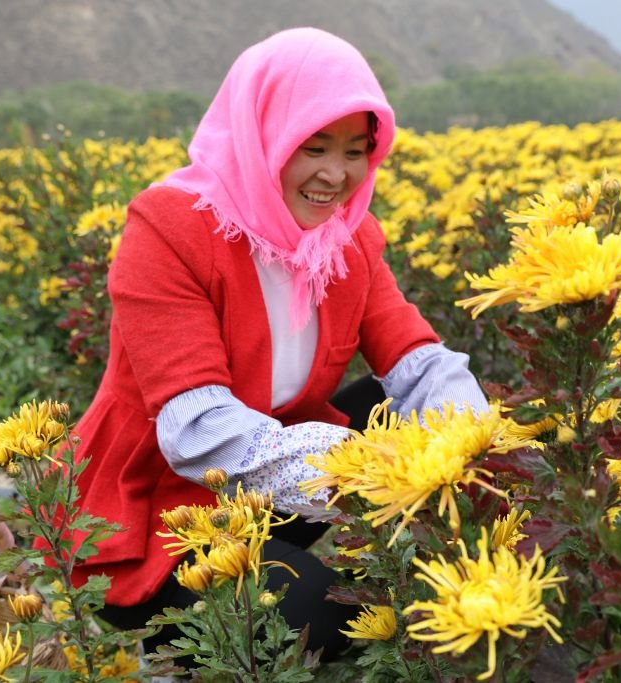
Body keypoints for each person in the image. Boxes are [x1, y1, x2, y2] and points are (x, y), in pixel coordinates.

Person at [67, 26, 488, 666]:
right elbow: (194, 427)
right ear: (261, 136)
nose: (336, 175)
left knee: (407, 402)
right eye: (312, 146)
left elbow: (416, 358)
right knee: (334, 617)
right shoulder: (168, 228)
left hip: (271, 489)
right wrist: (367, 469)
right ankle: (159, 636)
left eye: (355, 151)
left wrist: (477, 449)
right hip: (160, 514)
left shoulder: (347, 237)